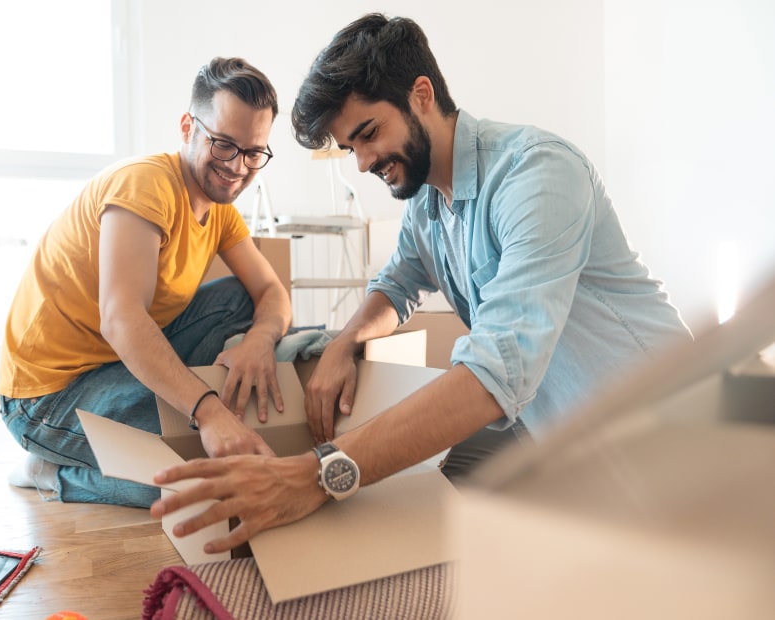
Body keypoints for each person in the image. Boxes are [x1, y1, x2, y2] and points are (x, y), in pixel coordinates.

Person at [149, 14, 692, 551]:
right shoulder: (428, 201)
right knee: (398, 490)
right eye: (349, 147)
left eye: (368, 134)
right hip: (546, 427)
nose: (362, 163)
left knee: (373, 488)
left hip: (663, 440)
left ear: (423, 94)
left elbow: (495, 371)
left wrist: (314, 476)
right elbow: (398, 282)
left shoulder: (538, 176)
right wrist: (345, 342)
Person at [0, 57, 292, 508]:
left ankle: (187, 395)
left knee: (240, 299)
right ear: (187, 127)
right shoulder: (144, 186)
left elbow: (271, 292)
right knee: (197, 479)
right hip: (45, 396)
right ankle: (51, 471)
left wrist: (261, 340)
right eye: (224, 145)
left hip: (113, 361)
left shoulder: (220, 211)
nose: (238, 167)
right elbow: (121, 319)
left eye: (254, 153)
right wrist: (208, 411)